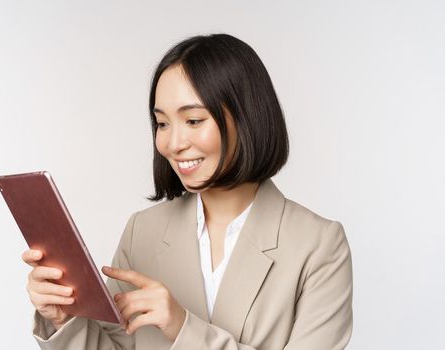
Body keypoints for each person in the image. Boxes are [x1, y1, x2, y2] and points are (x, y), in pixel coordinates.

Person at [21, 33, 353, 349]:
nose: (173, 143)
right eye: (162, 123)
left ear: (247, 118)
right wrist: (63, 320)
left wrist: (182, 328)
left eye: (193, 121)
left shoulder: (319, 246)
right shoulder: (144, 231)